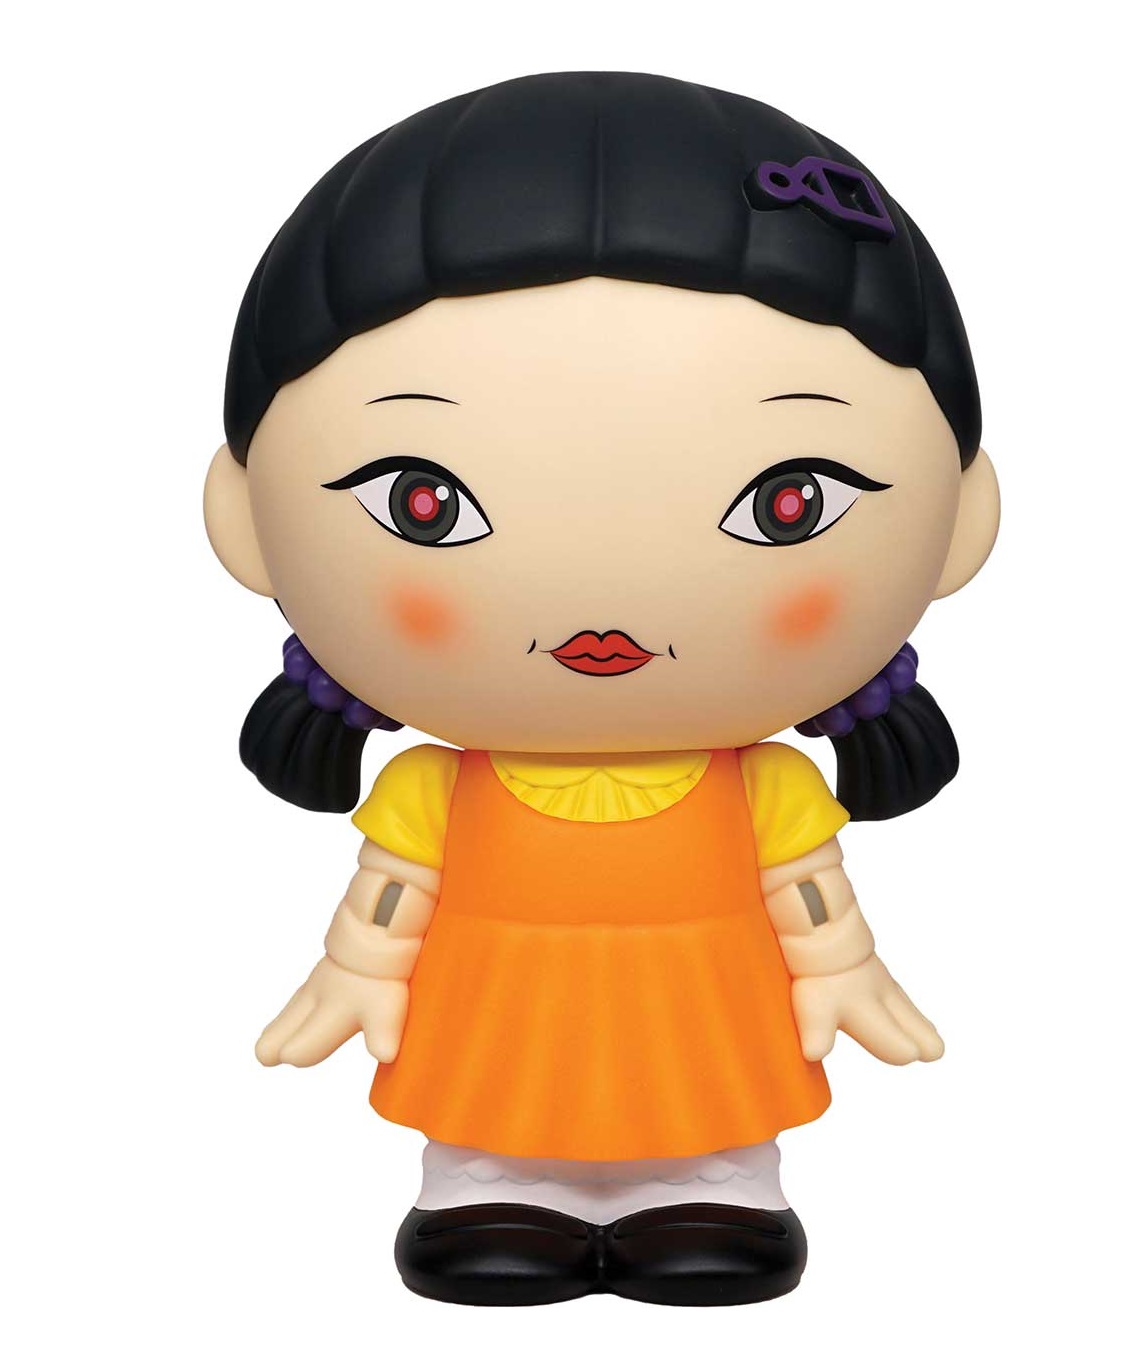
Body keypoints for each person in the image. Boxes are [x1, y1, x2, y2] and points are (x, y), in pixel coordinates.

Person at [204, 70, 1000, 1306]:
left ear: (962, 522)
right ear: (243, 519)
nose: (603, 604)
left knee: (710, 1102)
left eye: (788, 501)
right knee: (491, 1101)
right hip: (495, 1012)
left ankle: (715, 1184)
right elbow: (389, 900)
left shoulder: (764, 789)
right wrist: (352, 970)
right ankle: (486, 1184)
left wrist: (845, 968)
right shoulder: (435, 791)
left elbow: (808, 897)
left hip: (705, 1013)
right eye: (426, 501)